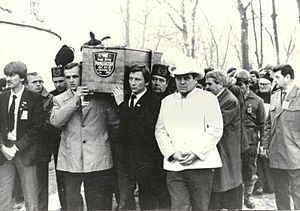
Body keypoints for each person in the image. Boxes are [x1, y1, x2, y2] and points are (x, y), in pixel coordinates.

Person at [155, 57, 223, 210]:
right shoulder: (167, 102)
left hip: (200, 166)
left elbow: (215, 129)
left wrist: (197, 153)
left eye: (186, 78)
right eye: (179, 78)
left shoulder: (208, 99)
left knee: (200, 207)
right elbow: (160, 130)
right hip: (175, 166)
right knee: (179, 206)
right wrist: (172, 153)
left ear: (195, 80)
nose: (182, 82)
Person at [50, 62, 116, 210]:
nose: (71, 80)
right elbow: (56, 121)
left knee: (98, 203)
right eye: (68, 77)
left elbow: (114, 123)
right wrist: (75, 101)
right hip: (71, 159)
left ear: (83, 76)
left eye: (75, 76)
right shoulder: (59, 99)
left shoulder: (101, 97)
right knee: (73, 203)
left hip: (97, 158)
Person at [112, 64, 165, 210]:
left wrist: (121, 105)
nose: (133, 83)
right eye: (130, 79)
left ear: (147, 82)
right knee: (125, 198)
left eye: (137, 79)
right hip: (127, 157)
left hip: (145, 159)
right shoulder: (128, 97)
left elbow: (140, 127)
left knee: (147, 199)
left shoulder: (154, 101)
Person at [0, 61, 44, 210]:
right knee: (4, 197)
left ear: (22, 77)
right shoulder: (2, 97)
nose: (8, 78)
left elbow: (37, 129)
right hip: (5, 154)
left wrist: (16, 147)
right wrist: (2, 147)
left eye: (12, 75)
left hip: (25, 153)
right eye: (7, 75)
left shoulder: (34, 98)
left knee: (31, 199)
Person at [262, 64, 300, 210]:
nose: (274, 80)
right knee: (281, 193)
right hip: (276, 153)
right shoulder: (275, 97)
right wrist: (265, 145)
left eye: (277, 77)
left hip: (295, 154)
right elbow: (268, 123)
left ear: (288, 77)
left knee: (298, 192)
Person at [205, 70, 243, 209]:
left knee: (225, 180)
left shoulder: (229, 101)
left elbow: (217, 122)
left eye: (209, 84)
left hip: (226, 147)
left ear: (220, 84)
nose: (206, 87)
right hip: (221, 146)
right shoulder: (219, 98)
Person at [235, 69, 266, 209]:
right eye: (237, 84)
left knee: (249, 170)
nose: (239, 87)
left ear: (248, 84)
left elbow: (262, 124)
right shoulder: (233, 98)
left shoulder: (257, 101)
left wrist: (263, 144)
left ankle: (247, 197)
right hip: (235, 140)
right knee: (236, 169)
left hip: (251, 140)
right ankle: (236, 199)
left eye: (241, 84)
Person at [25, 72, 54, 210]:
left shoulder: (49, 99)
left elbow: (48, 124)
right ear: (26, 85)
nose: (38, 84)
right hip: (23, 149)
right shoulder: (22, 99)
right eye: (34, 82)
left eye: (40, 81)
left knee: (41, 185)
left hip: (41, 149)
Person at [49, 66, 67, 210]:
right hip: (57, 141)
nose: (58, 85)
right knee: (60, 176)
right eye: (55, 82)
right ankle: (64, 205)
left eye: (61, 80)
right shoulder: (51, 96)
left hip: (73, 139)